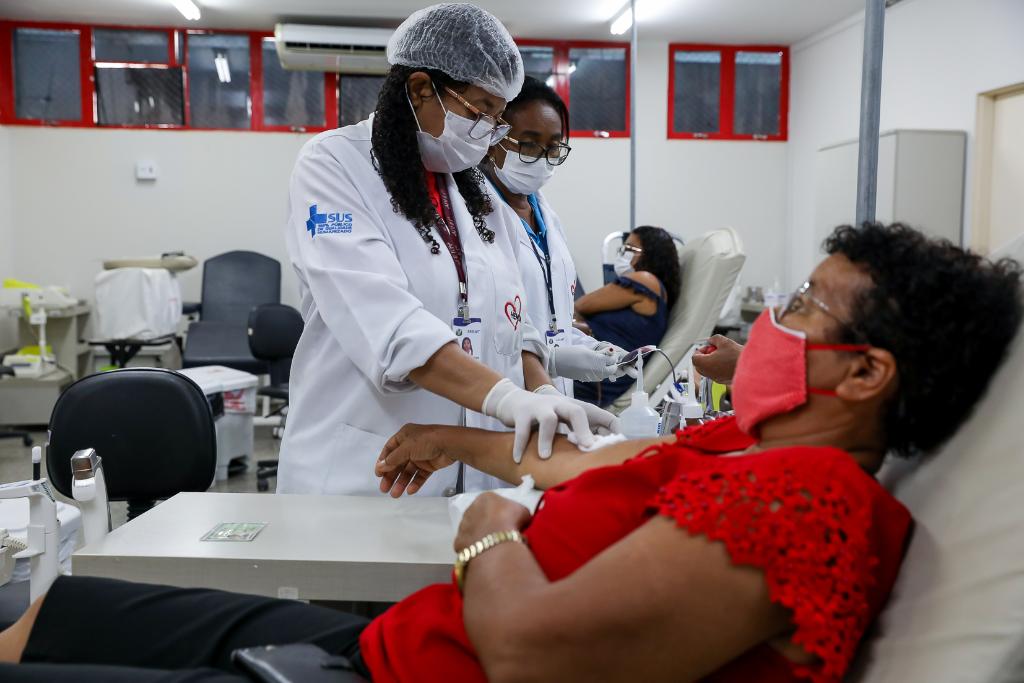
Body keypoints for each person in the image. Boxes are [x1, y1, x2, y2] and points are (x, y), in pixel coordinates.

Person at [3, 224, 1019, 683]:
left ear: (866, 373)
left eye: (801, 306)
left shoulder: (810, 498)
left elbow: (533, 650)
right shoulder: (743, 441)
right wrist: (462, 440)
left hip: (405, 668)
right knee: (66, 605)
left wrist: (489, 530)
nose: (773, 321)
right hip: (394, 641)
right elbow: (596, 465)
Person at [277, 3, 617, 496]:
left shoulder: (474, 194)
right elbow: (388, 322)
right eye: (481, 110)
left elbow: (512, 324)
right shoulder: (333, 166)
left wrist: (541, 391)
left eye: (499, 118)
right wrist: (505, 399)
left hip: (467, 477)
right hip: (362, 469)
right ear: (420, 89)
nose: (489, 131)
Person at [480, 76, 632, 398]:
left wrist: (596, 351)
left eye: (553, 147)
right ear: (495, 136)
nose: (541, 157)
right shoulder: (475, 215)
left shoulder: (547, 217)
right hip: (505, 396)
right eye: (529, 143)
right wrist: (552, 359)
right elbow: (489, 328)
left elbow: (555, 320)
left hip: (556, 395)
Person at [573, 225, 682, 406]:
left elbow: (580, 305)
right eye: (623, 249)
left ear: (651, 255)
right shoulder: (654, 292)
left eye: (630, 249)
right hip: (596, 371)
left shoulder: (645, 281)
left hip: (595, 381)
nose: (623, 254)